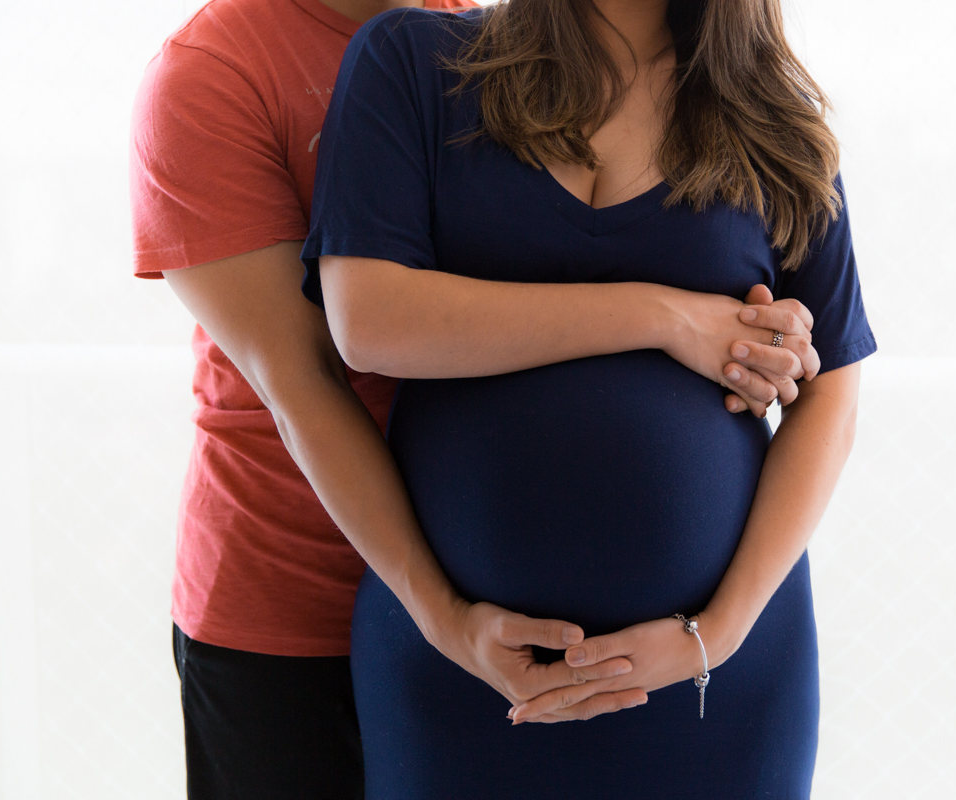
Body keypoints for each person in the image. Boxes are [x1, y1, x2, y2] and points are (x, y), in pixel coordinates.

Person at [129, 0, 818, 795]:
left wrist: (762, 340)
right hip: (296, 607)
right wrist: (438, 612)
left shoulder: (485, 37)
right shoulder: (215, 72)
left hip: (507, 607)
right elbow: (308, 379)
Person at [300, 0, 876, 797]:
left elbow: (833, 391)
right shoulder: (415, 63)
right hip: (459, 668)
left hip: (716, 688)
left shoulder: (770, 112)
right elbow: (368, 322)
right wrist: (663, 317)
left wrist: (720, 632)